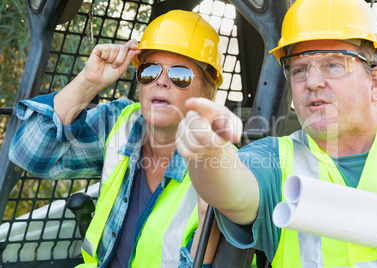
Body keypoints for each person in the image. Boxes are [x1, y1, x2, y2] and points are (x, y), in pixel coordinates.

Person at [176, 0, 377, 267]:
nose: (312, 81)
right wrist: (210, 153)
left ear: (374, 83)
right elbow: (234, 191)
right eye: (299, 69)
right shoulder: (276, 158)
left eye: (333, 65)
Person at [9, 9, 222, 268]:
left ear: (207, 92)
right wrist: (87, 83)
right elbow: (29, 154)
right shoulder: (120, 123)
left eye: (180, 76)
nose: (161, 82)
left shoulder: (220, 165)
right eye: (149, 71)